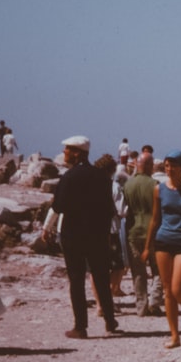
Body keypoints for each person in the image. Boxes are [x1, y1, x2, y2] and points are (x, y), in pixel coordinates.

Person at [44, 136, 120, 339]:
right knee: (102, 278)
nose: (65, 153)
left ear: (77, 153)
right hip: (97, 235)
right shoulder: (102, 177)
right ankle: (110, 320)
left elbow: (58, 206)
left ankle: (80, 326)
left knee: (76, 280)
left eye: (67, 150)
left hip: (73, 235)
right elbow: (109, 209)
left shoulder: (69, 177)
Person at [143, 150, 181, 348]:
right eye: (167, 165)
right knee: (168, 291)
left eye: (173, 165)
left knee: (178, 288)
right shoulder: (159, 189)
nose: (169, 169)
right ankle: (175, 335)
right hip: (163, 240)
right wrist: (147, 247)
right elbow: (155, 219)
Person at [123, 153, 163, 317]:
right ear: (149, 165)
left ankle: (141, 306)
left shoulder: (128, 185)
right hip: (153, 232)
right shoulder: (155, 184)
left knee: (138, 271)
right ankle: (154, 301)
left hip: (133, 231)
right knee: (158, 270)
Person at [92, 155, 127, 303]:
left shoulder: (90, 184)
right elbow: (122, 210)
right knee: (118, 266)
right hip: (111, 230)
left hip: (92, 230)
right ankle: (109, 297)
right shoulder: (114, 186)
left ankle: (99, 303)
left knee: (95, 270)